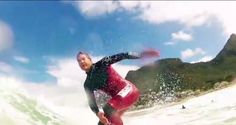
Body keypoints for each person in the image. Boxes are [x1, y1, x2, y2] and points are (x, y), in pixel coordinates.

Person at [77, 49, 160, 125]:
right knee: (101, 123)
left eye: (83, 59)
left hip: (129, 90)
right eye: (79, 61)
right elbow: (92, 103)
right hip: (118, 100)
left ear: (90, 59)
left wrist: (141, 55)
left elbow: (123, 55)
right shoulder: (87, 84)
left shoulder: (102, 63)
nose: (81, 62)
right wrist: (98, 114)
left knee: (107, 108)